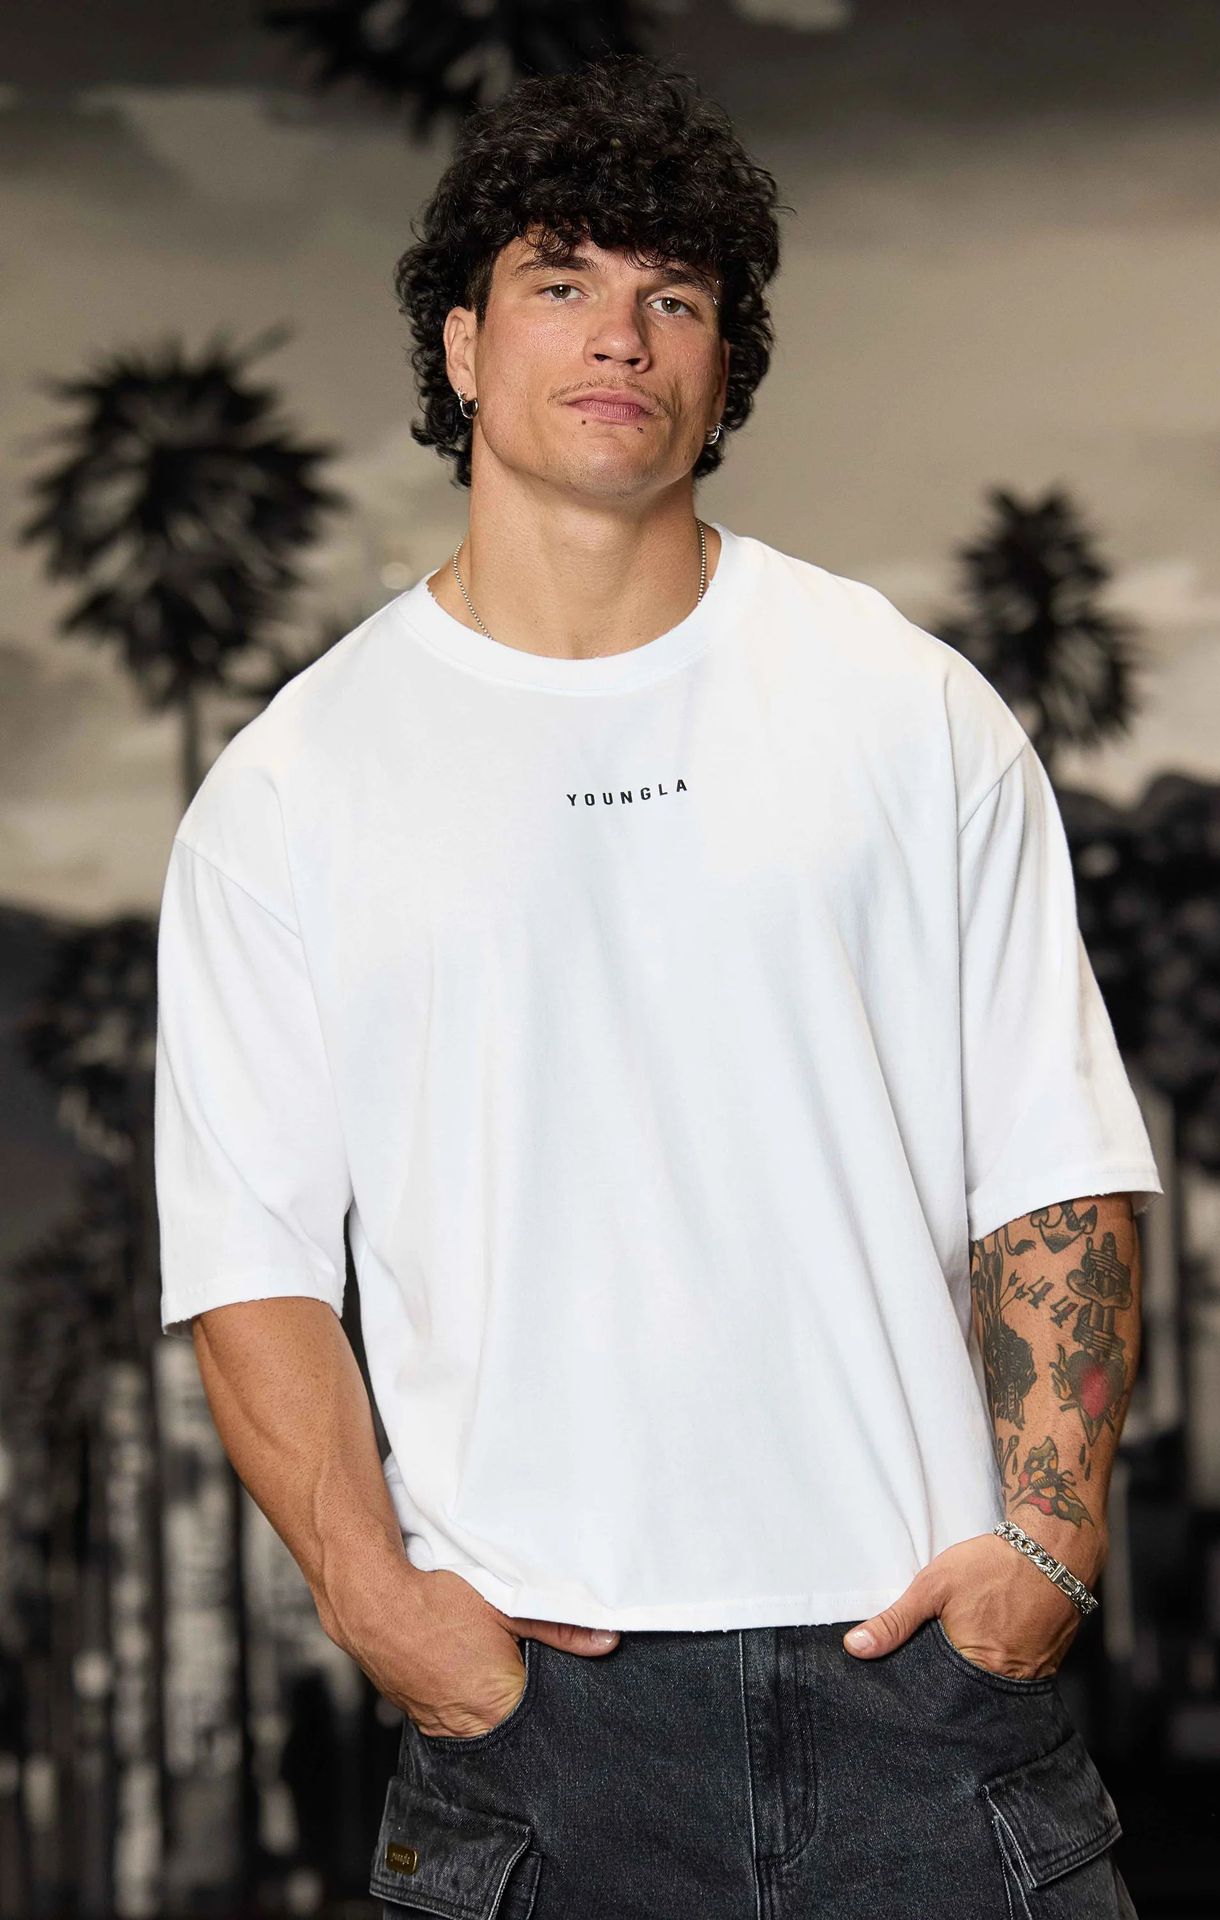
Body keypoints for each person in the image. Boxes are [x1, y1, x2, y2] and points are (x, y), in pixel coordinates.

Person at [154, 51, 1160, 1920]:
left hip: (925, 1682)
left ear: (723, 366)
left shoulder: (907, 708)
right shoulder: (295, 785)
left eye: (673, 298)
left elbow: (1055, 1160)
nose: (621, 334)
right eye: (561, 282)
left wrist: (1046, 1545)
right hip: (536, 1721)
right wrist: (380, 1605)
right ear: (462, 348)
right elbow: (253, 1264)